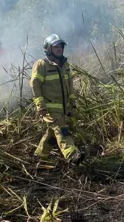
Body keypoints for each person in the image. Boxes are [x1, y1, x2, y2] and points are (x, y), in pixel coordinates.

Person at [30, 34, 85, 165]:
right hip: (49, 107)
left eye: (61, 46)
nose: (59, 49)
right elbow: (34, 85)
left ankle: (40, 155)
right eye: (56, 47)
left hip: (63, 107)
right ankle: (72, 155)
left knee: (53, 134)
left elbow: (69, 84)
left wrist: (72, 103)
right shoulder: (41, 65)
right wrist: (40, 105)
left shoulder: (65, 64)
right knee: (62, 130)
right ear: (48, 49)